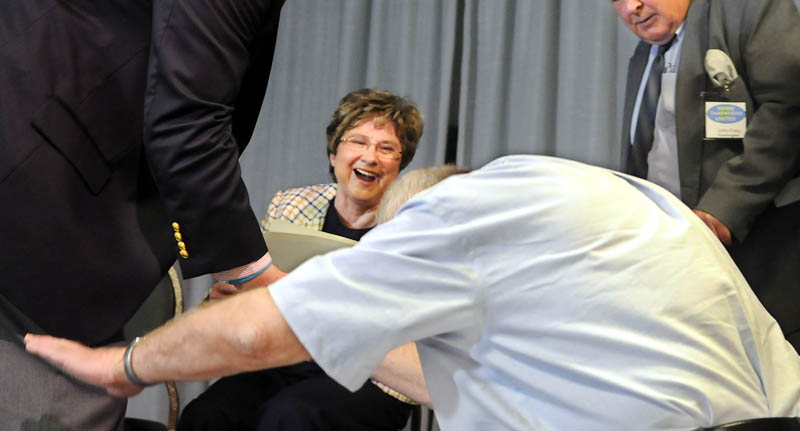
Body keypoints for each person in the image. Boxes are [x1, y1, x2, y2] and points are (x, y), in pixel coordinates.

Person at [0, 0, 432, 430]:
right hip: (36, 199)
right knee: (54, 404)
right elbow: (188, 119)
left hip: (53, 185)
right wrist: (250, 272)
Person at [25, 155, 800, 430]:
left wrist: (121, 365)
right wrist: (319, 313)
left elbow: (265, 333)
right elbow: (447, 377)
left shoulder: (447, 216)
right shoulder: (612, 200)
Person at [571, 0, 800, 351]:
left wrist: (721, 210)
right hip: (689, 256)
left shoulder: (750, 3)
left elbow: (788, 109)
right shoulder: (645, 57)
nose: (631, 7)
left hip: (769, 239)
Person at [178, 88, 424, 431]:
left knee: (289, 417)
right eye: (357, 142)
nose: (370, 157)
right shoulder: (290, 206)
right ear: (335, 151)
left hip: (372, 375)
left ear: (401, 163)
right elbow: (257, 293)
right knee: (206, 416)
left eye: (386, 148)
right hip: (287, 361)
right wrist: (229, 301)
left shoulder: (414, 229)